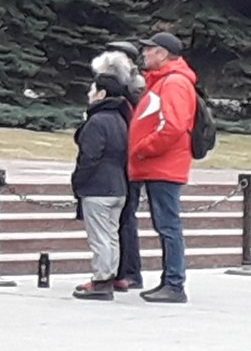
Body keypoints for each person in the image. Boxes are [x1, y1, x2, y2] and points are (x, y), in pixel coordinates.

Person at [131, 31, 197, 304]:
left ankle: (174, 283)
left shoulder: (173, 83)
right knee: (166, 225)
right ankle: (169, 281)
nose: (144, 54)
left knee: (169, 226)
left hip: (163, 166)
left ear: (163, 54)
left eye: (149, 49)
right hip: (160, 166)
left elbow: (173, 126)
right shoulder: (162, 81)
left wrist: (144, 149)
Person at [70, 53, 134, 300]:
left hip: (98, 187)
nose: (89, 93)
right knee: (111, 235)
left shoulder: (98, 121)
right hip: (118, 185)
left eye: (93, 90)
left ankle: (101, 280)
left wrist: (78, 182)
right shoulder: (120, 119)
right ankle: (107, 276)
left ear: (102, 94)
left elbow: (90, 157)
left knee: (100, 238)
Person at [104, 40, 147, 291]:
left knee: (126, 217)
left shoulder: (135, 86)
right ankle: (118, 269)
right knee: (119, 218)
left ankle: (130, 271)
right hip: (117, 160)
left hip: (129, 161)